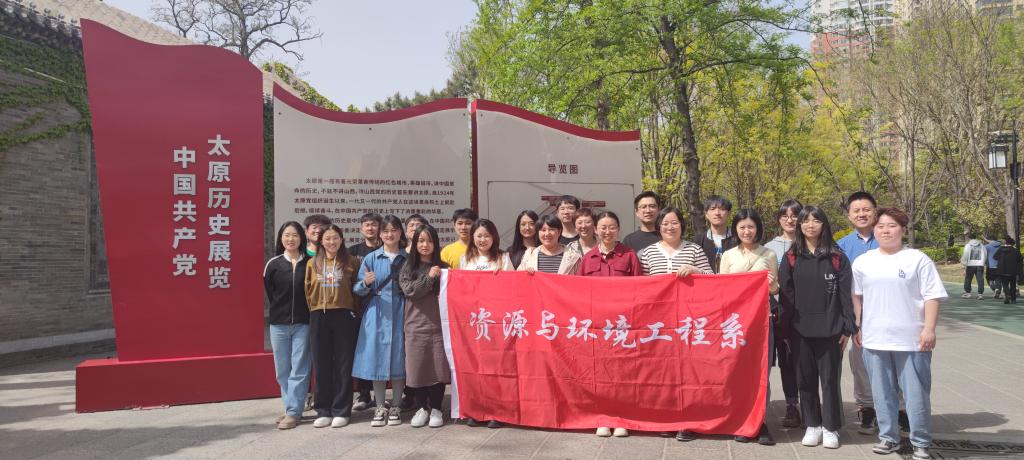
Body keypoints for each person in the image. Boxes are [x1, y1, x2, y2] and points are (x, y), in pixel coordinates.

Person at [852, 207, 947, 460]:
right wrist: (858, 325)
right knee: (881, 394)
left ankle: (921, 442)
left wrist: (929, 329)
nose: (886, 230)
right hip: (875, 339)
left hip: (912, 341)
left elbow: (932, 295)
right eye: (880, 226)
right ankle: (889, 437)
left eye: (892, 225)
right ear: (874, 230)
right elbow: (857, 296)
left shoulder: (917, 259)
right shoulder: (863, 262)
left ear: (903, 229)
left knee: (916, 395)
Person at [778, 206, 856, 450]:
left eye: (815, 220)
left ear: (824, 224)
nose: (810, 225)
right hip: (800, 330)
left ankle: (831, 427)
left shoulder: (837, 257)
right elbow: (786, 296)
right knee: (805, 380)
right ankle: (812, 424)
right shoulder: (791, 257)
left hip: (831, 330)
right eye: (805, 221)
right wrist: (785, 331)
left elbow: (845, 295)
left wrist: (847, 327)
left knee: (830, 380)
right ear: (799, 226)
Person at [577, 211, 641, 438]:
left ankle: (622, 418)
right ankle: (602, 418)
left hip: (622, 326)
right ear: (595, 230)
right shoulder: (588, 258)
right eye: (603, 227)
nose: (607, 231)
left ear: (618, 229)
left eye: (612, 227)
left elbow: (640, 290)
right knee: (598, 372)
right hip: (597, 326)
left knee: (623, 373)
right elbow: (579, 292)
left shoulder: (629, 256)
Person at [719, 209, 777, 446]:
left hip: (761, 321)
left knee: (761, 371)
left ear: (758, 228)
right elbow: (721, 287)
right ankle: (738, 419)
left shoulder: (769, 254)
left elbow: (776, 288)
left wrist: (770, 284)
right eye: (742, 227)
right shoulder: (728, 255)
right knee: (737, 371)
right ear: (735, 229)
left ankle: (759, 421)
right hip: (735, 322)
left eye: (751, 226)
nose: (747, 231)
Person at [353, 215, 409, 427]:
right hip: (376, 314)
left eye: (394, 230)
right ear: (380, 234)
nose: (389, 234)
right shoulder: (371, 258)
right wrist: (365, 284)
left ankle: (396, 404)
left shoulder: (407, 258)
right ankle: (379, 405)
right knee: (376, 357)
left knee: (399, 358)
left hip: (401, 311)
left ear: (400, 232)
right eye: (385, 231)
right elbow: (357, 289)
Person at [304, 224, 361, 429]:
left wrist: (353, 312)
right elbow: (308, 290)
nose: (331, 242)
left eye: (335, 238)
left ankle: (341, 410)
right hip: (319, 315)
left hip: (344, 315)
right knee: (321, 364)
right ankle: (323, 410)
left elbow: (356, 290)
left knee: (343, 364)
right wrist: (316, 308)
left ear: (341, 239)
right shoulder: (312, 263)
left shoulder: (351, 261)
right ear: (321, 241)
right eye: (327, 238)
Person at [836, 191, 880, 435]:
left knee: (892, 362)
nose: (862, 214)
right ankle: (866, 407)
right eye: (857, 210)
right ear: (849, 215)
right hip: (857, 315)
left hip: (886, 312)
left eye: (866, 209)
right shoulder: (841, 246)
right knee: (859, 360)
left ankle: (899, 409)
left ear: (875, 212)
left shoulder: (887, 238)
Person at [399, 224, 450, 429]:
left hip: (439, 326)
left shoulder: (445, 267)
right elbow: (411, 291)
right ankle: (422, 408)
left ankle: (436, 408)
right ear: (414, 243)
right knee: (417, 368)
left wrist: (439, 274)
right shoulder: (408, 267)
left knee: (438, 368)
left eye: (429, 241)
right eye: (420, 241)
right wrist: (429, 277)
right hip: (415, 325)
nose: (425, 245)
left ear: (435, 243)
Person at [264, 221, 312, 430]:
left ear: (301, 238)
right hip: (278, 324)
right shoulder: (273, 264)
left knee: (300, 368)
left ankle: (293, 412)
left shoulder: (310, 263)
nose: (290, 239)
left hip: (304, 323)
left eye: (294, 235)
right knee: (282, 370)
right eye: (286, 235)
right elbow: (270, 292)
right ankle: (290, 407)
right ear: (281, 238)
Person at [763, 199, 803, 429]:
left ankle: (800, 404)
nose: (790, 220)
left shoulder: (809, 243)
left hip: (802, 313)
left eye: (794, 215)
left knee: (796, 361)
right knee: (777, 361)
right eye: (784, 216)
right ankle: (784, 404)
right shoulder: (770, 248)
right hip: (776, 312)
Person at [347, 212, 383, 411]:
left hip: (381, 308)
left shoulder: (387, 248)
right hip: (358, 307)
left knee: (380, 350)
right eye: (367, 225)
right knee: (362, 351)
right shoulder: (353, 251)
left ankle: (381, 395)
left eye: (374, 224)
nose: (370, 228)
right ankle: (363, 394)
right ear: (361, 229)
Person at [637, 207, 713, 279]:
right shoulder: (648, 252)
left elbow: (711, 278)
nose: (670, 227)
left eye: (674, 223)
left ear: (681, 225)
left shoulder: (695, 250)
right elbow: (643, 283)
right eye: (665, 224)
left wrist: (696, 271)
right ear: (659, 227)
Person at [692, 195, 737, 273]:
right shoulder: (699, 241)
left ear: (729, 213)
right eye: (712, 209)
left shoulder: (737, 239)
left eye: (722, 209)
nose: (717, 213)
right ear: (706, 214)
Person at [960, 234, 987, 299]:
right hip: (980, 265)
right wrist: (983, 262)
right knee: (980, 279)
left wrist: (963, 263)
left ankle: (968, 293)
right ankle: (980, 294)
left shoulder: (968, 245)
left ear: (969, 238)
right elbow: (985, 254)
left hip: (970, 265)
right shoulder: (981, 245)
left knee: (968, 279)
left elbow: (965, 254)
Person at [995, 237, 1021, 304]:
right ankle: (1013, 299)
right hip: (1013, 270)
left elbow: (995, 257)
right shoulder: (1015, 250)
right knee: (1013, 285)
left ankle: (1007, 295)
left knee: (1005, 284)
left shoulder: (1001, 249)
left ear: (1006, 242)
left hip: (1003, 270)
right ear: (1012, 243)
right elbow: (1019, 259)